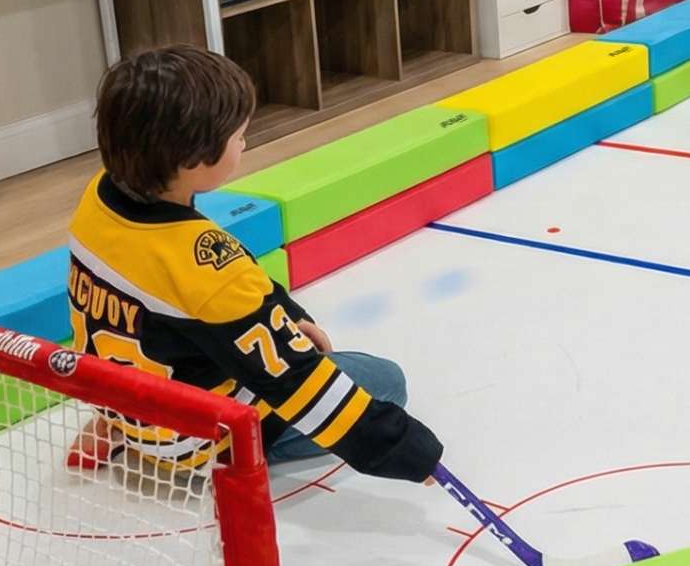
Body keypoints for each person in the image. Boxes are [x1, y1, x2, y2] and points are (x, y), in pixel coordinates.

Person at [64, 47, 443, 486]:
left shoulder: (98, 199)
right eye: (238, 136)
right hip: (199, 441)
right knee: (386, 381)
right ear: (192, 160)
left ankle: (118, 428)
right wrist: (407, 452)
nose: (244, 143)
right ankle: (203, 447)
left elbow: (190, 294)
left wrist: (288, 315)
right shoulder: (204, 265)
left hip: (122, 400)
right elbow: (300, 385)